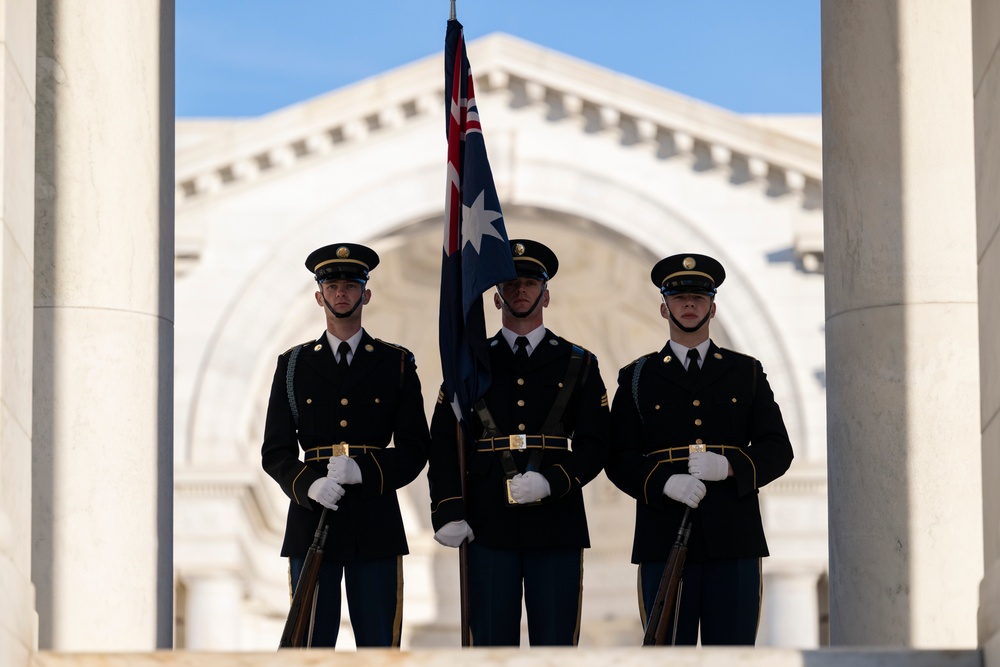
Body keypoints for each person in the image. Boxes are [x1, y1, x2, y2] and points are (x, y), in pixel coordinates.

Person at [427, 239, 611, 647]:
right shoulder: (469, 363)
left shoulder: (578, 362)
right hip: (486, 521)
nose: (521, 291)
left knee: (556, 646)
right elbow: (443, 444)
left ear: (546, 294)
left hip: (556, 520)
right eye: (510, 284)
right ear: (495, 297)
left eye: (530, 283)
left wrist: (554, 482)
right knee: (491, 647)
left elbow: (597, 443)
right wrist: (449, 510)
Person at [605, 253, 793, 646]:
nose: (688, 304)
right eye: (678, 296)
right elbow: (618, 457)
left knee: (733, 654)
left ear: (712, 306)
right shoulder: (638, 377)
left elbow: (778, 449)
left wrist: (727, 467)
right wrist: (664, 483)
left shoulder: (746, 372)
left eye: (698, 296)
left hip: (734, 537)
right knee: (670, 654)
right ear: (663, 306)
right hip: (664, 534)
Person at [261, 242, 430, 648]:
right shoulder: (294, 364)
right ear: (319, 296)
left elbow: (415, 447)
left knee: (377, 645)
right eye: (332, 285)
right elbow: (275, 451)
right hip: (312, 516)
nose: (341, 293)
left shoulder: (396, 364)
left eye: (351, 285)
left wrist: (364, 471)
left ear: (366, 294)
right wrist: (308, 485)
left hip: (375, 519)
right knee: (310, 644)